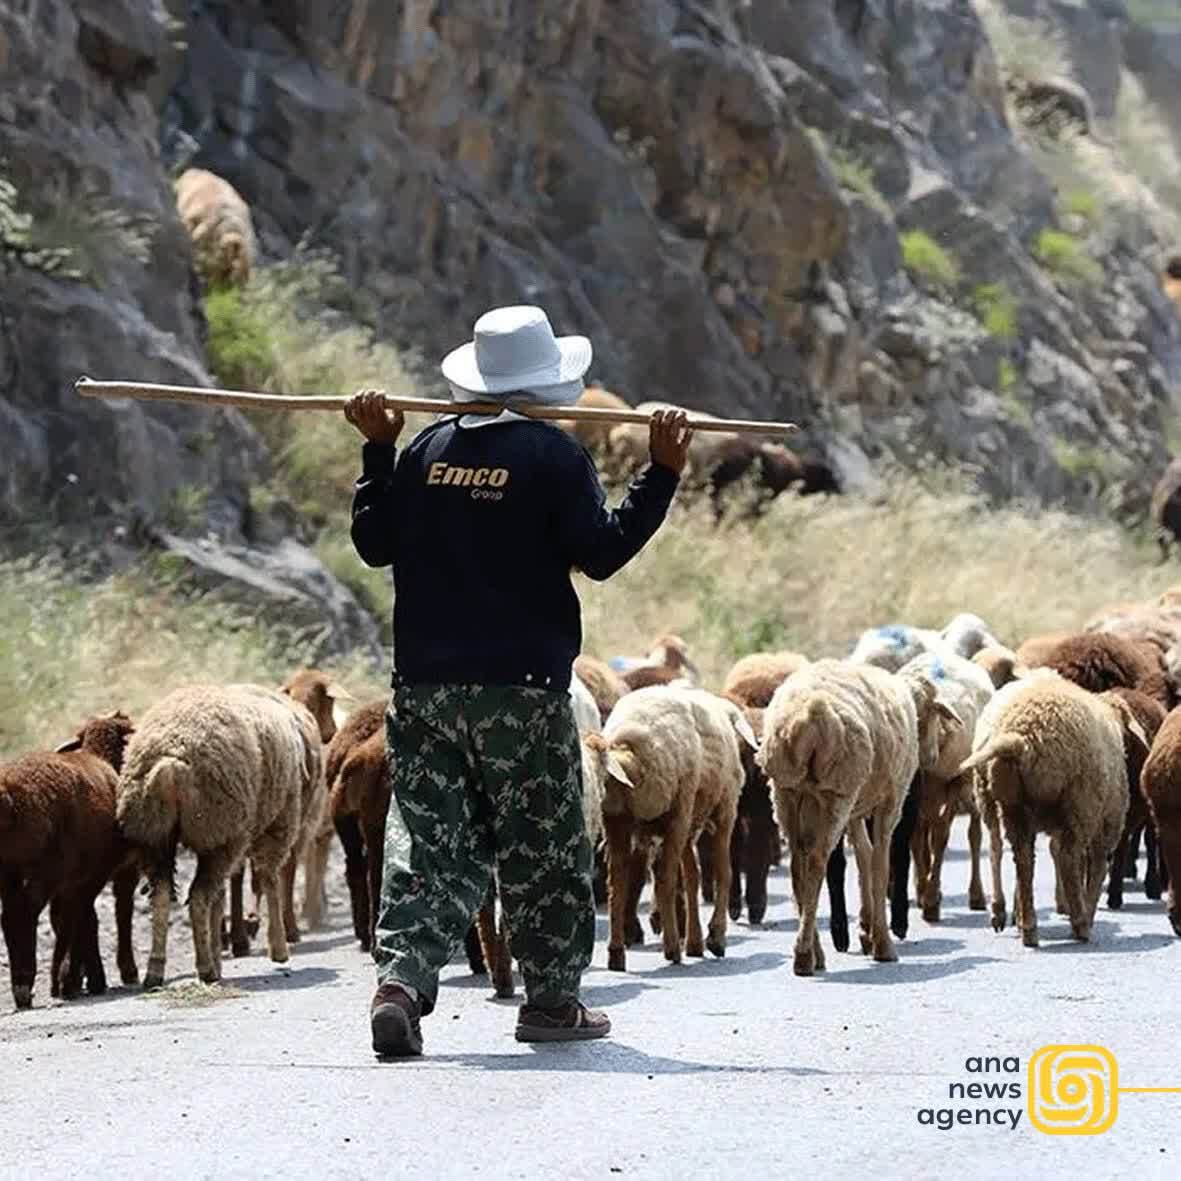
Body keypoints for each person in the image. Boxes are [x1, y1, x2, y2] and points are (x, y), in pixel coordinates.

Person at [344, 304, 692, 1058]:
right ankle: (550, 1001)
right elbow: (599, 552)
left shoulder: (426, 448)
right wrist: (661, 472)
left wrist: (378, 452)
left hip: (426, 685)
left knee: (428, 839)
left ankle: (400, 982)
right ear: (546, 382)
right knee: (542, 842)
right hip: (521, 688)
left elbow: (374, 543)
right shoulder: (552, 456)